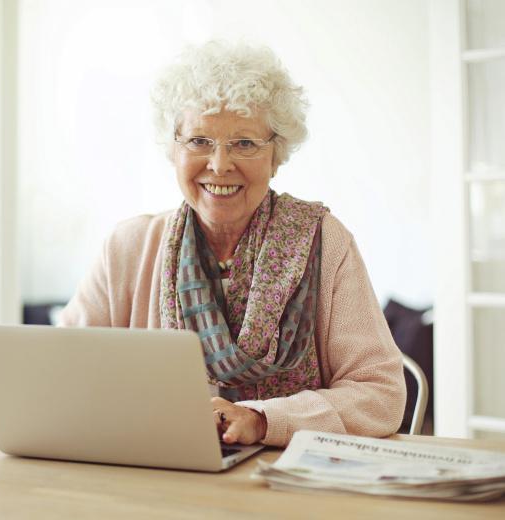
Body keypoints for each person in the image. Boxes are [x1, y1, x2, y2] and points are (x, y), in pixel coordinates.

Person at [59, 40, 406, 447]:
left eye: (244, 143)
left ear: (277, 154)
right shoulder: (128, 247)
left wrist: (263, 420)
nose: (220, 164)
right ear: (173, 149)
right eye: (199, 141)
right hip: (159, 472)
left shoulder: (326, 242)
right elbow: (65, 373)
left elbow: (380, 395)